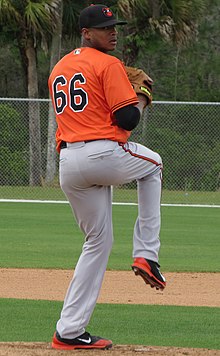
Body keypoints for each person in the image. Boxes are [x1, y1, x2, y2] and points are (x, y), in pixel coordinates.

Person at [48, 3, 166, 351]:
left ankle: (68, 332)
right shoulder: (108, 64)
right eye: (104, 28)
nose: (112, 32)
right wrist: (142, 96)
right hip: (102, 154)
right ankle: (147, 253)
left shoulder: (59, 67)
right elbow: (128, 120)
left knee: (97, 244)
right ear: (86, 33)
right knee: (154, 164)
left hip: (69, 163)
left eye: (114, 26)